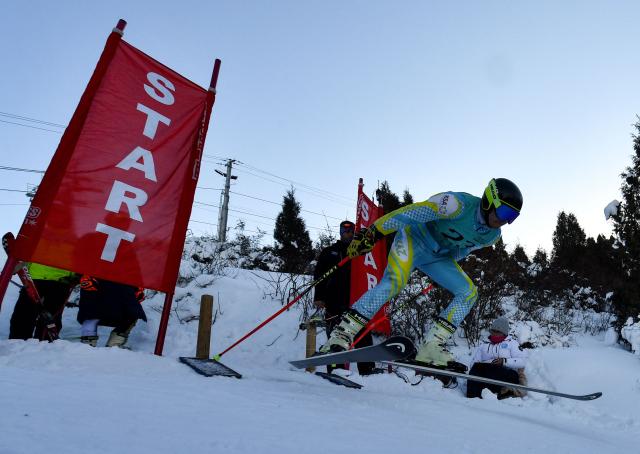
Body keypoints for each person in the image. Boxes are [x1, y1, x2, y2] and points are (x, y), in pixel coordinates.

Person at [320, 178, 523, 371]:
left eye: (512, 217)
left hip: (438, 257)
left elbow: (462, 250)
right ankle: (341, 334)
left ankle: (432, 347)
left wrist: (442, 275)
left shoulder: (492, 236)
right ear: (489, 201)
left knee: (469, 292)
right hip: (413, 239)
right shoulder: (456, 204)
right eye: (504, 212)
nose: (504, 220)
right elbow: (412, 213)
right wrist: (374, 232)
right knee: (394, 284)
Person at [313, 220, 376, 375]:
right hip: (334, 299)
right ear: (340, 233)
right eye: (345, 231)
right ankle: (336, 370)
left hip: (357, 300)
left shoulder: (362, 251)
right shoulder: (330, 251)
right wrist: (319, 296)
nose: (348, 234)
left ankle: (367, 369)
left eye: (351, 231)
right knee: (335, 335)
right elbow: (319, 274)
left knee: (362, 334)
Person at [9, 263, 78, 341]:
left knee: (27, 316)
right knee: (25, 316)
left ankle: (26, 344)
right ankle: (22, 343)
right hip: (40, 279)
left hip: (56, 280)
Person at [466, 316, 528, 399]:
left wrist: (504, 361)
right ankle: (473, 398)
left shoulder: (512, 343)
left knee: (491, 369)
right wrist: (487, 364)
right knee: (476, 369)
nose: (494, 333)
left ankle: (499, 393)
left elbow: (522, 361)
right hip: (488, 372)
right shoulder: (484, 345)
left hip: (507, 373)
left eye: (497, 331)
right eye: (493, 331)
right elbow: (473, 364)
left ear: (504, 333)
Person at [77, 276, 146, 348]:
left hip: (93, 309)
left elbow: (84, 280)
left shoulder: (93, 268)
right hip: (121, 309)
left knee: (88, 303)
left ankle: (88, 339)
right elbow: (139, 294)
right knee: (133, 311)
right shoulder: (133, 272)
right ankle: (115, 343)